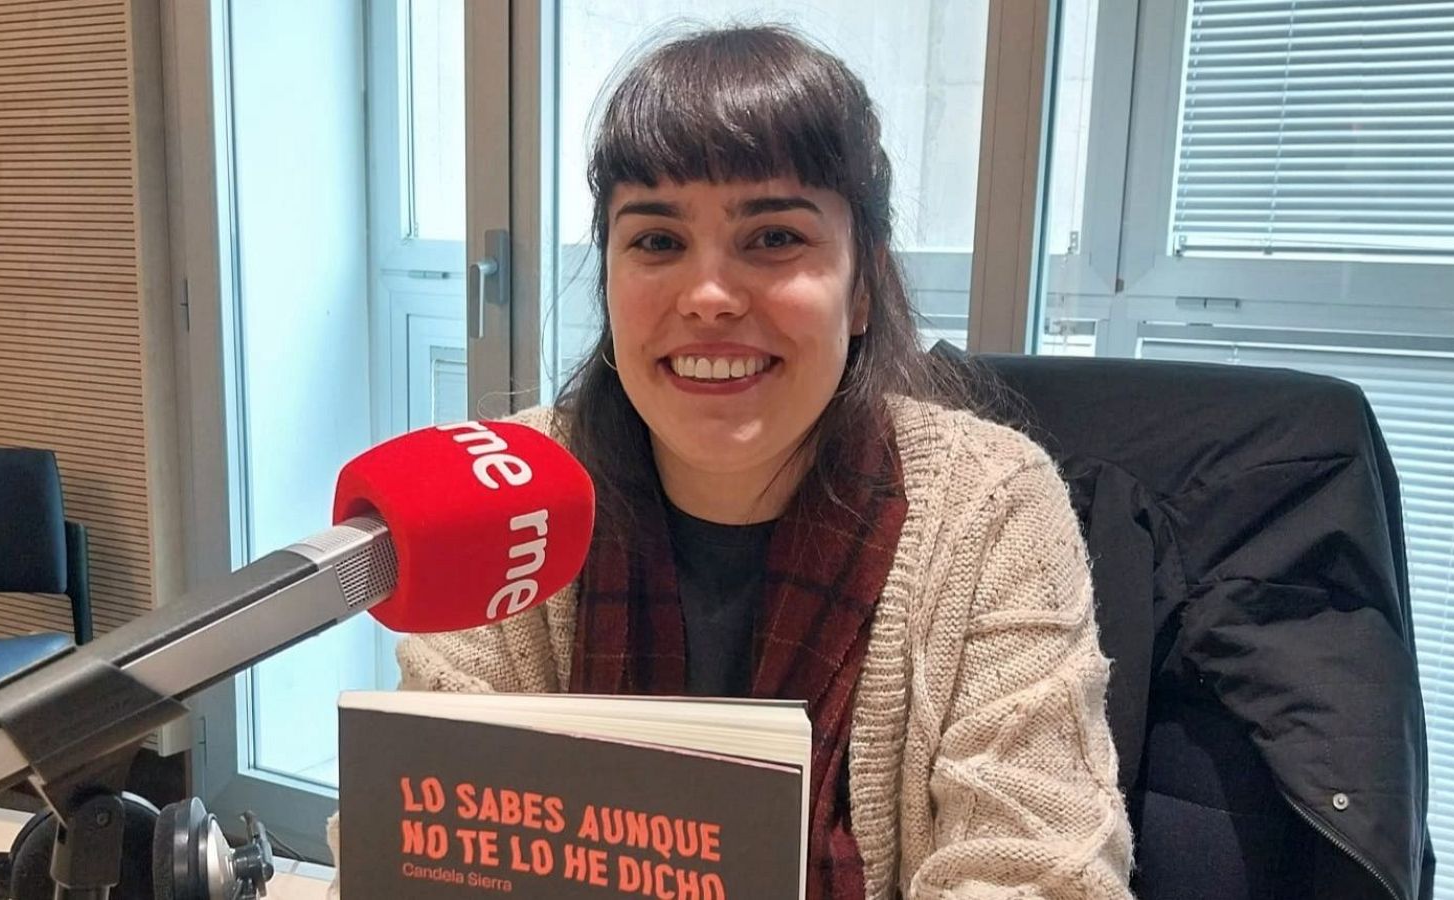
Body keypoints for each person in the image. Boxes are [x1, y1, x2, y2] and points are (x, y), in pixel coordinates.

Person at [331, 24, 1132, 900]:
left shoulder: (991, 507)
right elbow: (420, 838)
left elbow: (1041, 873)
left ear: (861, 288)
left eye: (775, 238)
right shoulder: (505, 491)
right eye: (658, 243)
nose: (708, 297)